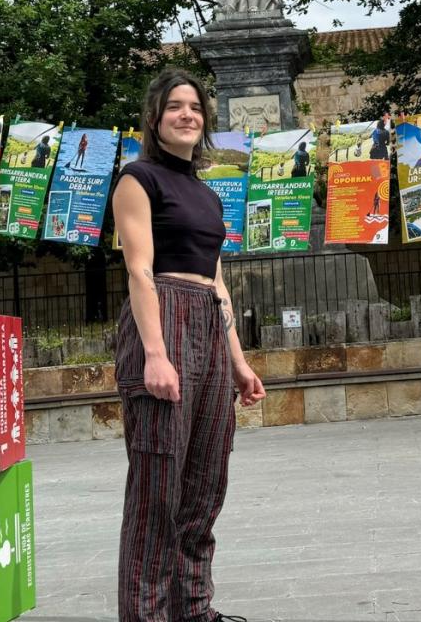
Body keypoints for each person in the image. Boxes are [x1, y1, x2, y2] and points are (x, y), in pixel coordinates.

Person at [112, 69, 265, 622]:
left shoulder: (206, 193)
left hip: (205, 324)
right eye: (176, 106)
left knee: (204, 483)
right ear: (155, 117)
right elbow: (140, 271)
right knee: (157, 493)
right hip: (162, 321)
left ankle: (193, 610)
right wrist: (155, 353)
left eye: (196, 108)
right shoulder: (138, 178)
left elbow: (218, 281)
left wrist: (239, 362)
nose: (187, 115)